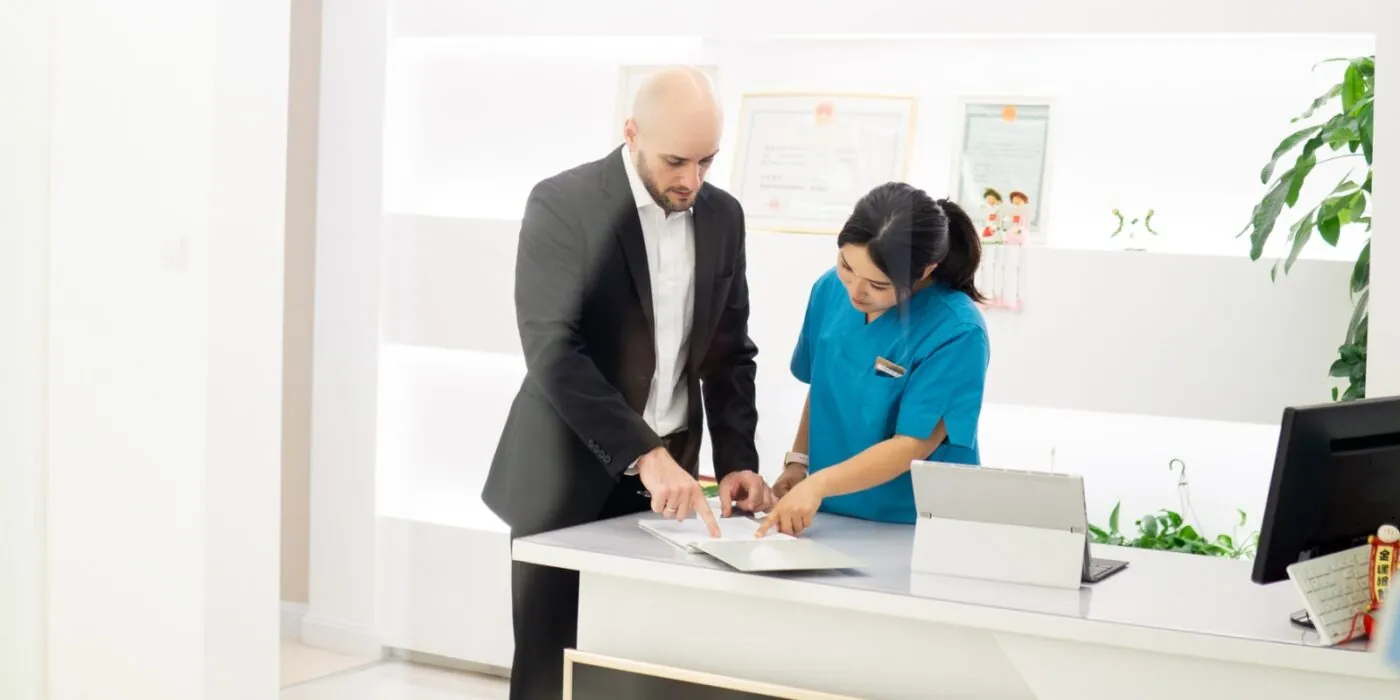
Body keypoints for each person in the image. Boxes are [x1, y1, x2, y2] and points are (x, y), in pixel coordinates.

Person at [481, 66, 773, 700]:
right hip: (564, 471)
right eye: (675, 161)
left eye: (707, 161)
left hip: (671, 480)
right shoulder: (563, 204)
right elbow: (554, 350)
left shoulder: (724, 216)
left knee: (649, 656)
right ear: (632, 133)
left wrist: (739, 462)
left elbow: (729, 351)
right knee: (549, 659)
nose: (691, 180)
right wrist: (645, 452)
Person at [757, 182, 990, 537]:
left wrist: (818, 485)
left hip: (916, 522)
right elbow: (825, 385)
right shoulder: (829, 290)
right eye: (846, 266)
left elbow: (913, 444)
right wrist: (799, 463)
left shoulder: (957, 331)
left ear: (926, 270)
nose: (855, 291)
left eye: (879, 286)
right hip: (830, 516)